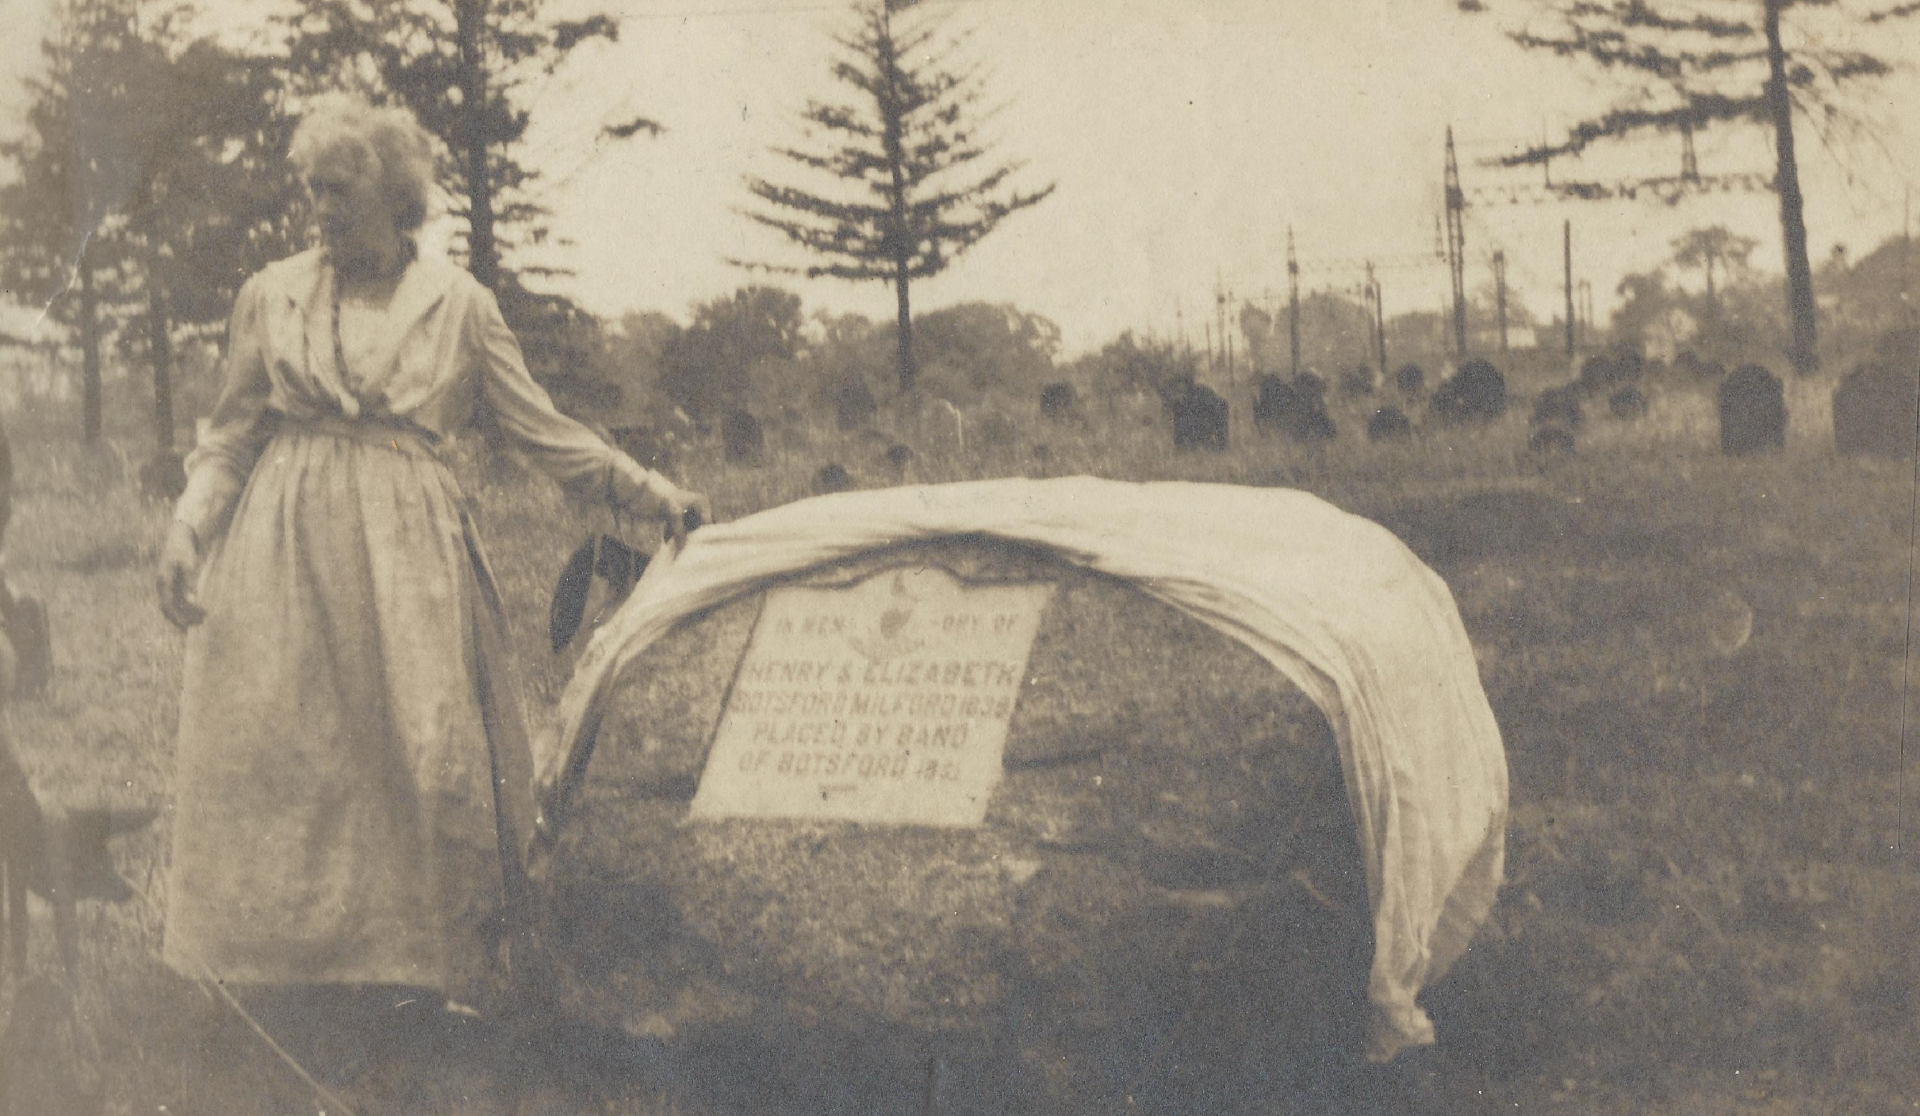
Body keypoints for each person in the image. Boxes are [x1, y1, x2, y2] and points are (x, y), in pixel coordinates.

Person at [153, 94, 709, 1110]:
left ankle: (413, 994)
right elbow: (229, 435)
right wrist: (189, 528)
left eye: (341, 189)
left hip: (407, 559)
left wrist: (651, 494)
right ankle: (285, 988)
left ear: (397, 196)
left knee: (419, 751)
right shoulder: (270, 295)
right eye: (311, 188)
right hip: (281, 558)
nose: (320, 209)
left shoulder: (461, 306)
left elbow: (543, 432)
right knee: (291, 761)